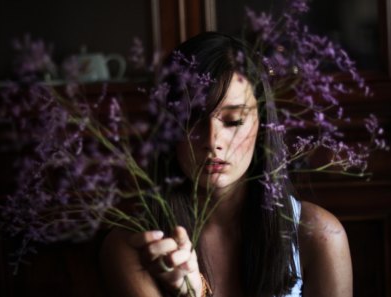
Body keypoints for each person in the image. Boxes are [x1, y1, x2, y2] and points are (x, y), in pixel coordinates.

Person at [100, 32, 352, 297]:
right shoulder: (135, 247)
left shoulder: (319, 236)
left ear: (263, 126)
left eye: (233, 121)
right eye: (191, 120)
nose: (212, 141)